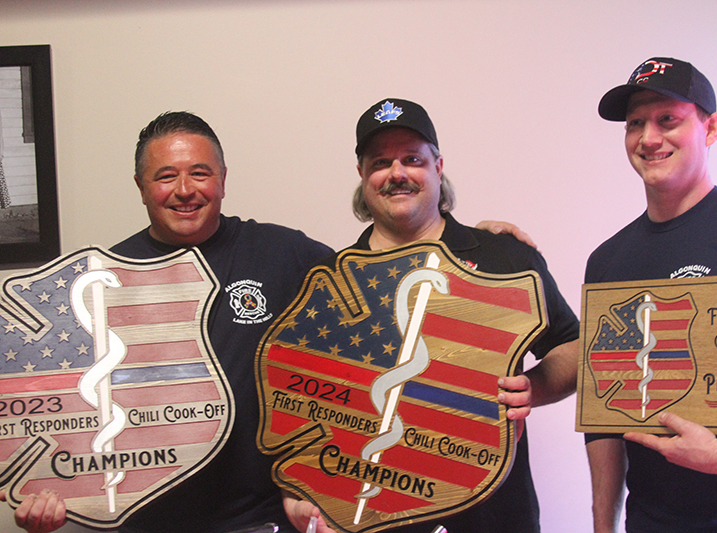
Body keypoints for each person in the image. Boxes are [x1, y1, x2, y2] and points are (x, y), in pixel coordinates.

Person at [1, 111, 334, 533]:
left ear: (224, 179)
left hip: (261, 519)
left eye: (200, 173)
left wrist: (318, 474)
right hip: (146, 521)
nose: (184, 190)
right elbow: (64, 402)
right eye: (165, 176)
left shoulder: (282, 253)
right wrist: (47, 489)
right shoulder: (99, 280)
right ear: (140, 187)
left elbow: (367, 318)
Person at [300, 98, 580, 533]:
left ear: (438, 166)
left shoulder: (504, 257)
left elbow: (574, 345)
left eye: (412, 159)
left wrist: (535, 388)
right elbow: (309, 405)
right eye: (380, 162)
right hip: (374, 519)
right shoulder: (331, 282)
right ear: (362, 175)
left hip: (494, 518)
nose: (397, 174)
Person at [585, 57, 717, 532]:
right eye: (635, 123)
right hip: (651, 520)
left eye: (668, 120)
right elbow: (604, 414)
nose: (648, 138)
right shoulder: (607, 262)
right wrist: (603, 522)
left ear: (712, 127)